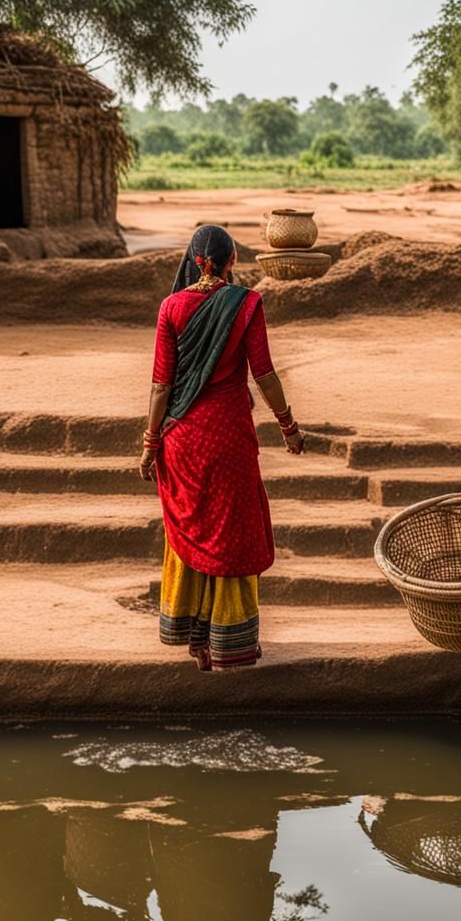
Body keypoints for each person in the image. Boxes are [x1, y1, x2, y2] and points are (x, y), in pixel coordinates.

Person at [140, 225, 304, 671]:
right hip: (229, 436)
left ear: (194, 261)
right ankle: (229, 640)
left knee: (191, 530)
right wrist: (287, 425)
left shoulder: (172, 307)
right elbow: (264, 373)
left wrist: (150, 443)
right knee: (230, 531)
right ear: (230, 261)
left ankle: (194, 637)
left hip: (183, 440)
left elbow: (161, 386)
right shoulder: (246, 303)